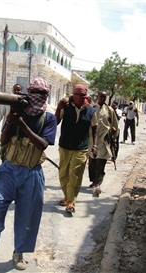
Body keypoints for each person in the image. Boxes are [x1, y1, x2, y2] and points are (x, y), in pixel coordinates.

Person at [0, 78, 57, 272]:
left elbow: (43, 144)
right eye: (33, 92)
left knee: (26, 217)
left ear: (46, 96)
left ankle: (19, 253)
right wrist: (11, 124)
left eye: (41, 93)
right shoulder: (16, 111)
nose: (36, 96)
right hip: (9, 170)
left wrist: (23, 125)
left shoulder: (48, 118)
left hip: (32, 173)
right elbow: (3, 141)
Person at [55, 84, 97, 214]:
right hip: (65, 146)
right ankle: (67, 196)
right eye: (76, 94)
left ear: (85, 96)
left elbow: (95, 128)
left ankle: (71, 202)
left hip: (81, 148)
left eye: (82, 95)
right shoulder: (66, 107)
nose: (79, 97)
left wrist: (94, 146)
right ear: (73, 94)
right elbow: (55, 122)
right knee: (63, 174)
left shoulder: (90, 110)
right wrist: (58, 108)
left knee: (75, 174)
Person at [88, 91, 118, 195]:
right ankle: (93, 180)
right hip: (92, 139)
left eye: (104, 97)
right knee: (92, 162)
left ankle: (98, 182)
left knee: (101, 162)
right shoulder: (92, 108)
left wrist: (114, 137)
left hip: (104, 140)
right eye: (101, 96)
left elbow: (115, 125)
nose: (103, 99)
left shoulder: (109, 110)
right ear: (98, 96)